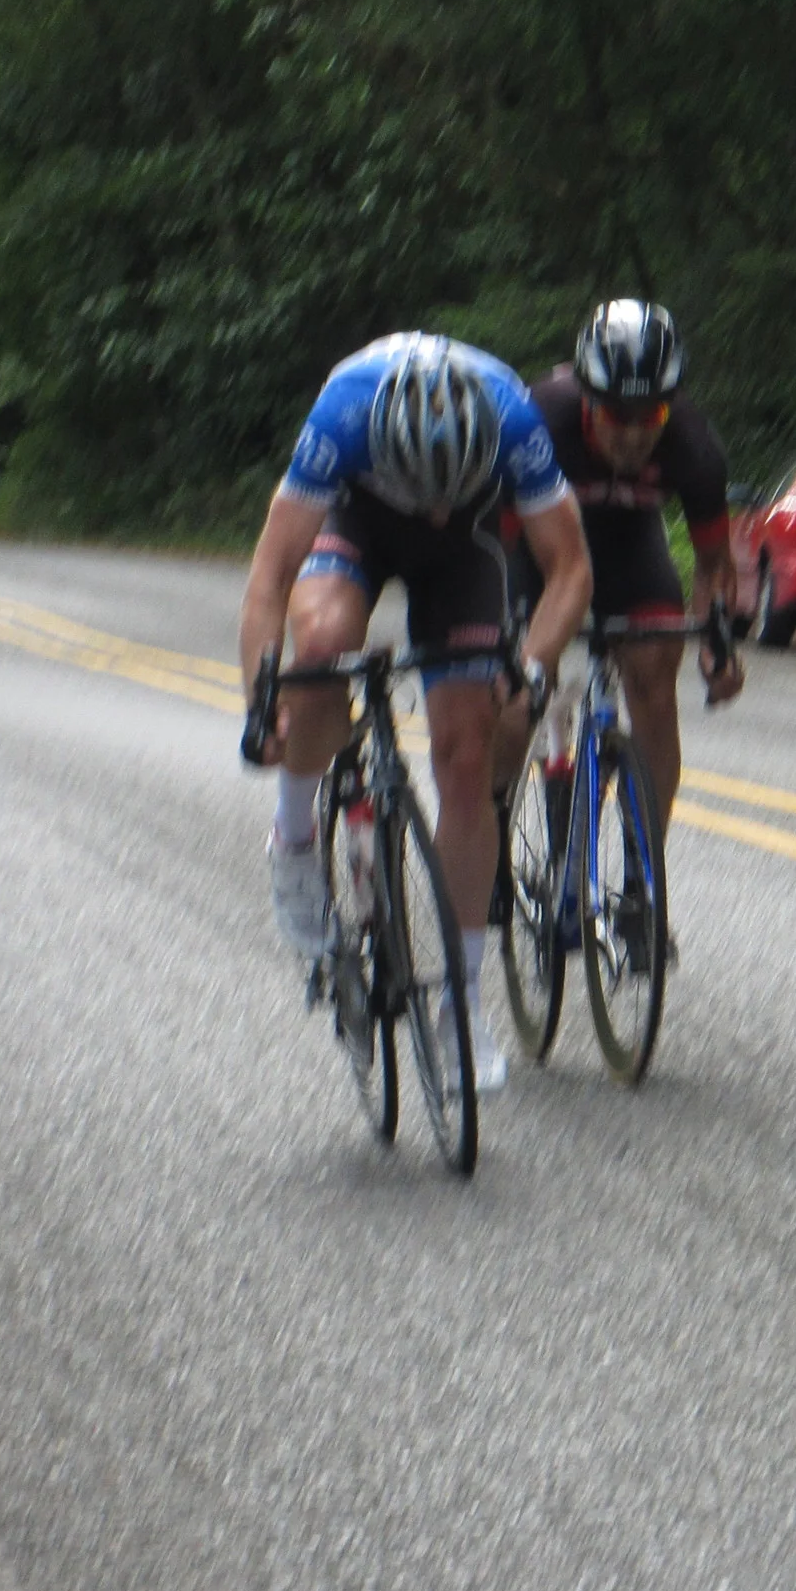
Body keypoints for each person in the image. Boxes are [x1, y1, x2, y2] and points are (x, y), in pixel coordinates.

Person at [237, 333, 593, 1097]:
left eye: (449, 489)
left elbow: (570, 569)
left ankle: (462, 1005)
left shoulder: (513, 419)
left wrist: (530, 667)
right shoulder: (343, 414)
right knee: (326, 640)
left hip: (468, 549)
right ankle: (295, 836)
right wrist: (260, 701)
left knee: (467, 755)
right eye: (422, 491)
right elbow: (270, 575)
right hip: (356, 523)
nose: (433, 510)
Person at [505, 300, 745, 846]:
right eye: (618, 416)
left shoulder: (694, 446)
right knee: (512, 689)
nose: (636, 435)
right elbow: (496, 541)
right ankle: (494, 818)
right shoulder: (540, 420)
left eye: (652, 416)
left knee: (656, 676)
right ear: (589, 399)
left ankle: (643, 878)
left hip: (628, 544)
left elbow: (713, 566)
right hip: (537, 546)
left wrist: (718, 642)